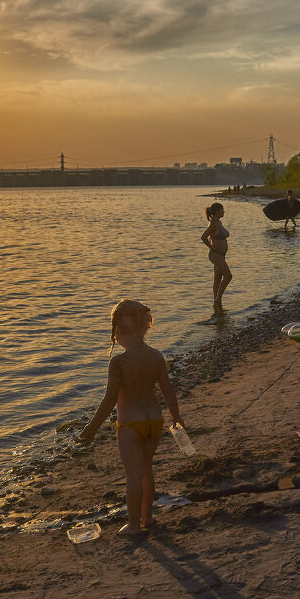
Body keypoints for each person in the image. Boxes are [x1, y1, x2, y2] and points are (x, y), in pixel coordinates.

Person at [78, 299, 184, 536]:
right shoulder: (156, 356)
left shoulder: (119, 363)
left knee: (133, 474)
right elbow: (167, 390)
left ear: (118, 332)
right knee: (147, 469)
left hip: (130, 425)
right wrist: (176, 416)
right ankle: (148, 516)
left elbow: (109, 401)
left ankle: (134, 525)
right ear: (145, 327)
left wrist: (92, 428)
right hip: (154, 422)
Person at [201, 202, 232, 311]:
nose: (224, 211)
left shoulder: (218, 222)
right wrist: (211, 247)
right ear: (217, 211)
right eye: (222, 209)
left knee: (218, 280)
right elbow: (203, 237)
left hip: (220, 255)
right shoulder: (213, 224)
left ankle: (217, 305)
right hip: (216, 255)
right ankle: (217, 300)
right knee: (228, 276)